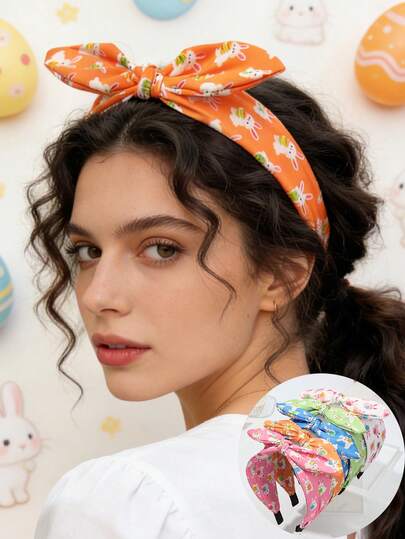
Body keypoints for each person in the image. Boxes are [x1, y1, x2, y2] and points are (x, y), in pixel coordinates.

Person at [25, 40, 405, 539]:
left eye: (161, 248)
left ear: (282, 274)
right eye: (88, 250)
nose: (98, 296)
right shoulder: (363, 491)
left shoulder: (128, 502)